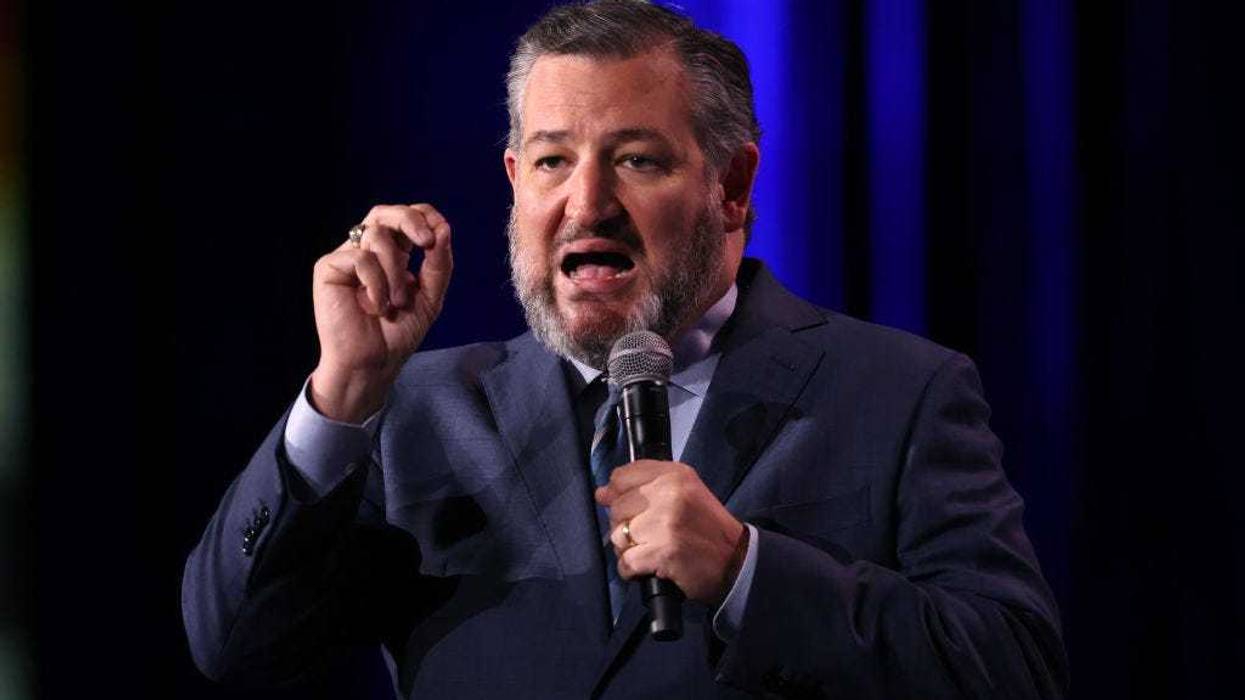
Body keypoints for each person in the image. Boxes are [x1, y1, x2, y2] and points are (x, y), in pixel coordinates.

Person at [182, 1, 1068, 697]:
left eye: (636, 159)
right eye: (551, 161)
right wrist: (341, 392)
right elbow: (235, 642)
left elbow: (1013, 668)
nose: (586, 204)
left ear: (731, 185)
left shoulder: (898, 391)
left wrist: (745, 570)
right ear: (513, 182)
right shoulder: (412, 413)